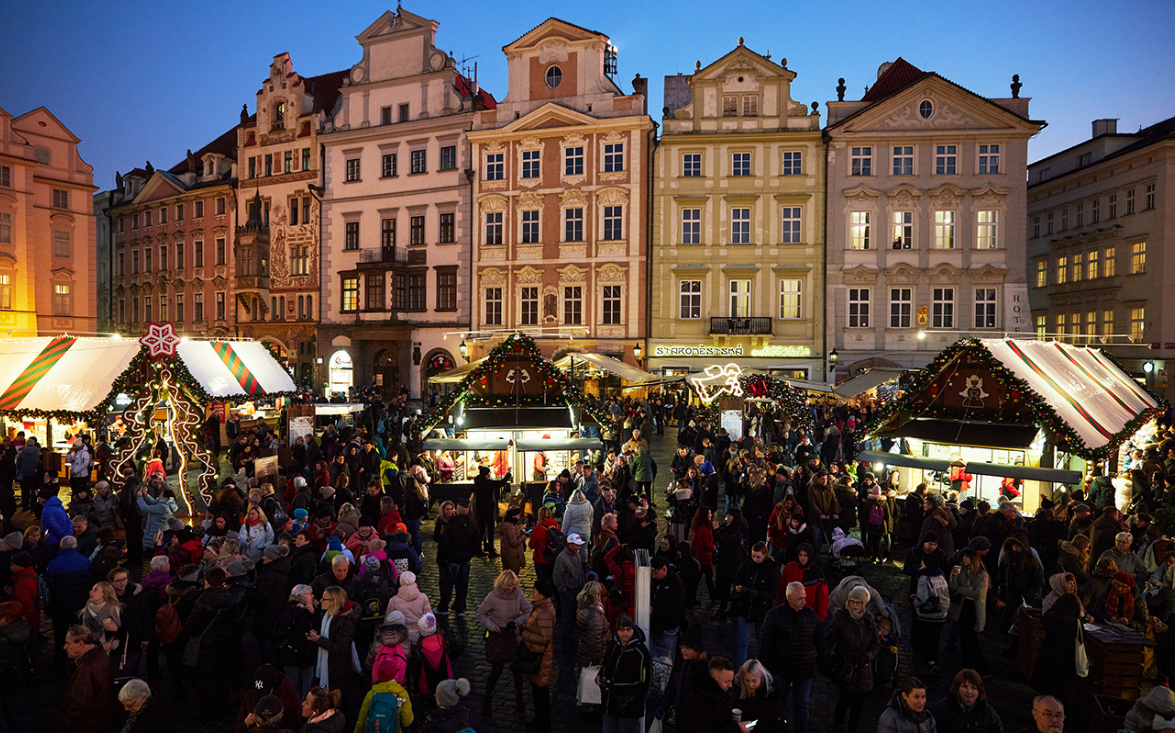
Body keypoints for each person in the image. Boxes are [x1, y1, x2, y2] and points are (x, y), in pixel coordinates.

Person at [760, 581, 825, 733]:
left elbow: (820, 640)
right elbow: (766, 644)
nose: (804, 601)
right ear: (789, 598)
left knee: (802, 705)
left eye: (804, 597)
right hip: (781, 669)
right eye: (800, 598)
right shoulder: (774, 616)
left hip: (805, 670)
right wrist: (765, 668)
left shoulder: (810, 614)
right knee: (778, 703)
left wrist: (822, 661)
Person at [476, 570, 533, 717]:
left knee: (517, 670)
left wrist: (517, 622)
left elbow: (528, 610)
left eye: (513, 586)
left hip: (514, 636)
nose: (511, 588)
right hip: (498, 637)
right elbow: (480, 613)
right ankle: (487, 698)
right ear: (502, 584)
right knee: (496, 670)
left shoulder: (519, 595)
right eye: (508, 586)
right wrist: (493, 627)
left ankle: (519, 698)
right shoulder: (493, 596)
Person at [827, 585, 880, 733]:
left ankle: (853, 728)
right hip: (846, 667)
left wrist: (867, 657)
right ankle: (838, 723)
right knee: (845, 699)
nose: (855, 605)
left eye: (858, 602)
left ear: (864, 604)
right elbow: (830, 639)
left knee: (859, 704)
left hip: (863, 669)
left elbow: (876, 644)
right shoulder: (840, 618)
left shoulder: (869, 621)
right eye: (852, 601)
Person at [596, 613, 651, 733]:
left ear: (633, 629)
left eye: (628, 630)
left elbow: (642, 683)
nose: (625, 633)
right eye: (622, 630)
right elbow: (606, 665)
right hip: (610, 705)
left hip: (628, 708)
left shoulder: (641, 653)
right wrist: (600, 677)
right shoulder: (613, 646)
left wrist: (613, 687)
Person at [1030, 594, 1081, 716]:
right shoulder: (1075, 623)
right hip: (1065, 661)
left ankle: (1044, 715)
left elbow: (1044, 620)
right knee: (1064, 693)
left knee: (1047, 689)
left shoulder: (1050, 616)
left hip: (1047, 655)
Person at [57, 625, 113, 733]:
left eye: (68, 643)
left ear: (81, 644)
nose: (64, 647)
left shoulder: (86, 670)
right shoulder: (100, 656)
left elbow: (79, 707)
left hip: (86, 726)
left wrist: (63, 726)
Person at [46, 535, 91, 666]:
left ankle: (59, 663)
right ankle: (81, 660)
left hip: (61, 606)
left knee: (60, 635)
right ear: (75, 546)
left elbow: (49, 586)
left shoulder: (54, 564)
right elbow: (89, 582)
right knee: (80, 634)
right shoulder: (85, 561)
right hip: (79, 604)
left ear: (61, 546)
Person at [732, 541, 777, 668]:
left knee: (761, 643)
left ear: (764, 555)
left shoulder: (771, 569)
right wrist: (737, 586)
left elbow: (772, 594)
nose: (755, 559)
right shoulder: (746, 565)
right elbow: (737, 577)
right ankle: (740, 671)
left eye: (758, 557)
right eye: (753, 556)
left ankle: (762, 670)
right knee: (743, 643)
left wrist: (757, 593)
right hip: (745, 608)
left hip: (761, 611)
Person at [679, 656, 752, 733]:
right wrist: (736, 728)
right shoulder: (698, 700)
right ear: (713, 678)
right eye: (727, 681)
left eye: (731, 680)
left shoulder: (722, 691)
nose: (730, 685)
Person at [521, 578, 557, 733]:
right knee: (538, 693)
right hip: (538, 656)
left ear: (542, 594)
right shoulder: (541, 608)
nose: (532, 593)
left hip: (540, 659)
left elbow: (544, 638)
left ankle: (543, 725)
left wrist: (525, 634)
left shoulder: (544, 612)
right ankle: (539, 721)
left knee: (541, 694)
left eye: (535, 591)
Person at [308, 586, 358, 693]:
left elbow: (340, 647)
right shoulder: (327, 615)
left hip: (337, 670)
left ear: (333, 601)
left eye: (324, 599)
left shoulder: (346, 622)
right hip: (327, 665)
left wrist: (319, 640)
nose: (321, 601)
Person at [948, 547, 989, 674]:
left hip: (973, 610)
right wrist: (954, 575)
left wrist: (961, 590)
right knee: (964, 638)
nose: (964, 559)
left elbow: (978, 593)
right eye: (963, 556)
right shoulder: (962, 571)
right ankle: (967, 665)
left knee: (971, 639)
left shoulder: (982, 574)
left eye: (967, 557)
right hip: (962, 608)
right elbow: (953, 587)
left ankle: (979, 668)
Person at [436, 500, 478, 618]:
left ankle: (444, 607)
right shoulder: (472, 525)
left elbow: (444, 545)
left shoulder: (451, 526)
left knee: (447, 585)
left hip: (452, 560)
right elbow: (476, 544)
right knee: (462, 585)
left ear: (457, 511)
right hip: (465, 560)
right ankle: (460, 608)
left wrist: (442, 559)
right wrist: (469, 554)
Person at [354, 654, 414, 733]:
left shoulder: (371, 694)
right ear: (394, 673)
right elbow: (407, 721)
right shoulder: (402, 694)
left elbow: (362, 719)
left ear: (378, 674)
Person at [930, 669, 1003, 733]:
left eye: (973, 688)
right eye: (964, 686)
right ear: (957, 688)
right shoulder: (942, 708)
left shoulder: (989, 714)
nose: (969, 691)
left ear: (979, 690)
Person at [780, 542, 829, 620]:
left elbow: (822, 596)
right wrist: (781, 610)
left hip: (809, 614)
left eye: (805, 555)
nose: (802, 558)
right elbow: (782, 589)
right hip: (790, 612)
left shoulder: (817, 572)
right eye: (800, 555)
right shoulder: (789, 568)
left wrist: (820, 616)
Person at [733, 659, 784, 732]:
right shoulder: (737, 689)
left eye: (754, 681)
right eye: (747, 680)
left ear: (761, 678)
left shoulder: (772, 693)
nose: (750, 685)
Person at [649, 556, 685, 659]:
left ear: (664, 569)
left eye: (655, 573)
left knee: (666, 660)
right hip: (654, 627)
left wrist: (654, 610)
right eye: (652, 573)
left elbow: (676, 609)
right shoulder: (653, 581)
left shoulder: (676, 583)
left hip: (668, 629)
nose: (653, 577)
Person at [553, 533, 586, 644]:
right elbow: (557, 576)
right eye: (576, 545)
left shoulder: (577, 555)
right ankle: (567, 641)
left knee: (574, 617)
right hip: (568, 592)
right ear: (570, 544)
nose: (579, 547)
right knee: (567, 618)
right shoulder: (562, 558)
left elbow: (580, 572)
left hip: (577, 590)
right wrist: (563, 591)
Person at [385, 571, 432, 648]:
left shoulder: (393, 600)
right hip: (419, 636)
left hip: (400, 638)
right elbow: (429, 618)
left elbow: (388, 621)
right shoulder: (423, 597)